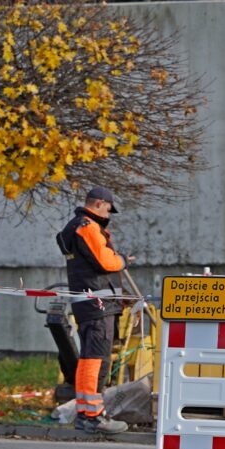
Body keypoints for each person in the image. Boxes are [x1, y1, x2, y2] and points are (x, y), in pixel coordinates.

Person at [56, 186, 131, 434]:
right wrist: (120, 260)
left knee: (91, 358)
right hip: (98, 304)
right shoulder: (88, 226)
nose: (109, 215)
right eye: (108, 209)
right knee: (95, 359)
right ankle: (92, 416)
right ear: (99, 204)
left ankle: (88, 413)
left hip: (90, 302)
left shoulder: (76, 227)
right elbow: (105, 261)